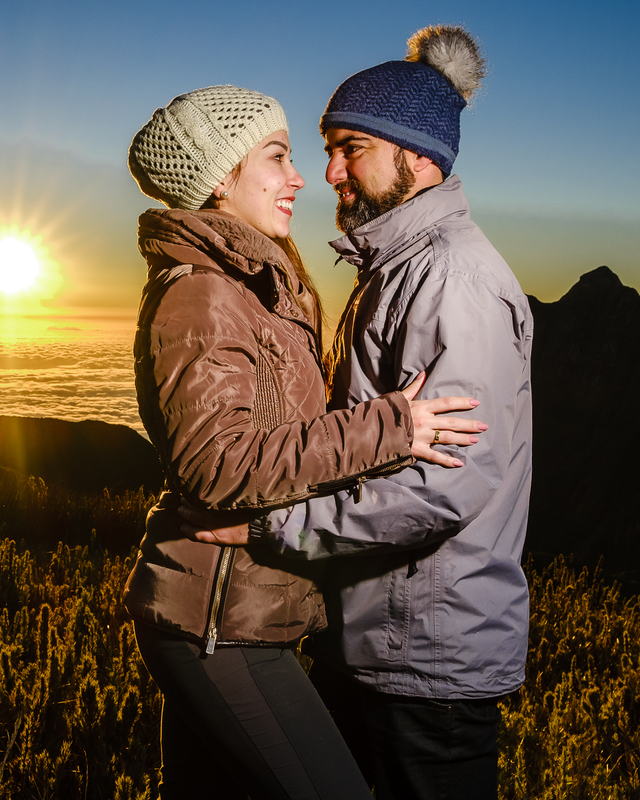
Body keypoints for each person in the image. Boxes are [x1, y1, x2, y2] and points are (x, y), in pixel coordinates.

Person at [194, 26, 533, 800]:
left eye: (351, 148)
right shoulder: (398, 269)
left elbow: (444, 485)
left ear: (417, 157)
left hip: (426, 662)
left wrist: (271, 529)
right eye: (327, 148)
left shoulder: (452, 281)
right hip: (381, 643)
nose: (330, 171)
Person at [123, 84, 488, 800]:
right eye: (278, 157)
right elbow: (217, 463)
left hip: (243, 614)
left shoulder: (250, 281)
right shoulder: (202, 292)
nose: (301, 178)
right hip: (217, 627)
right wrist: (391, 426)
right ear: (221, 178)